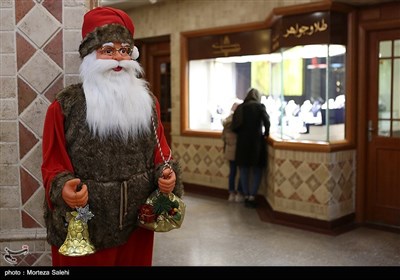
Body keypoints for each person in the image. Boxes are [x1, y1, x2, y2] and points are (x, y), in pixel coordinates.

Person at [41, 6, 183, 266]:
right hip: (86, 224)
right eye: (108, 50)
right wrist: (64, 188)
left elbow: (160, 151)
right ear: (90, 56)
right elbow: (53, 163)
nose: (119, 57)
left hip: (137, 224)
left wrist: (167, 173)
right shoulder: (65, 107)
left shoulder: (147, 102)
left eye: (125, 50)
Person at [231, 88, 270, 208]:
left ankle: (246, 195)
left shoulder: (241, 107)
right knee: (257, 169)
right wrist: (266, 134)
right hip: (257, 143)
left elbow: (234, 126)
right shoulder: (260, 106)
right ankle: (252, 196)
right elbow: (267, 121)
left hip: (242, 143)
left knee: (243, 169)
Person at [222, 102, 244, 202]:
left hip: (230, 149)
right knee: (240, 172)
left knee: (232, 172)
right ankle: (239, 193)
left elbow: (223, 137)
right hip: (239, 149)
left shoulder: (227, 121)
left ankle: (231, 193)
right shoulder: (240, 121)